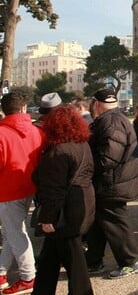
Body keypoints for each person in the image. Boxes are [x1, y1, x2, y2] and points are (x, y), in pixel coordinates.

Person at [31, 106, 96, 295]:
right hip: (81, 203)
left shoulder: (58, 152)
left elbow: (54, 190)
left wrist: (48, 218)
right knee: (50, 257)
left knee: (73, 261)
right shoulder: (81, 144)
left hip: (64, 210)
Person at [85, 88, 138, 279]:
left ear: (96, 103)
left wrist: (86, 166)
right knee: (99, 222)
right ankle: (93, 260)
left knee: (115, 221)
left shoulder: (110, 122)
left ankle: (131, 261)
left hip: (112, 182)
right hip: (111, 181)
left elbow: (108, 157)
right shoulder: (112, 119)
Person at [0, 93, 44, 294]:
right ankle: (1, 272)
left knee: (16, 233)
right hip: (28, 188)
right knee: (12, 232)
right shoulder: (36, 131)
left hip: (7, 191)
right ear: (24, 108)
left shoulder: (1, 133)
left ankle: (28, 277)